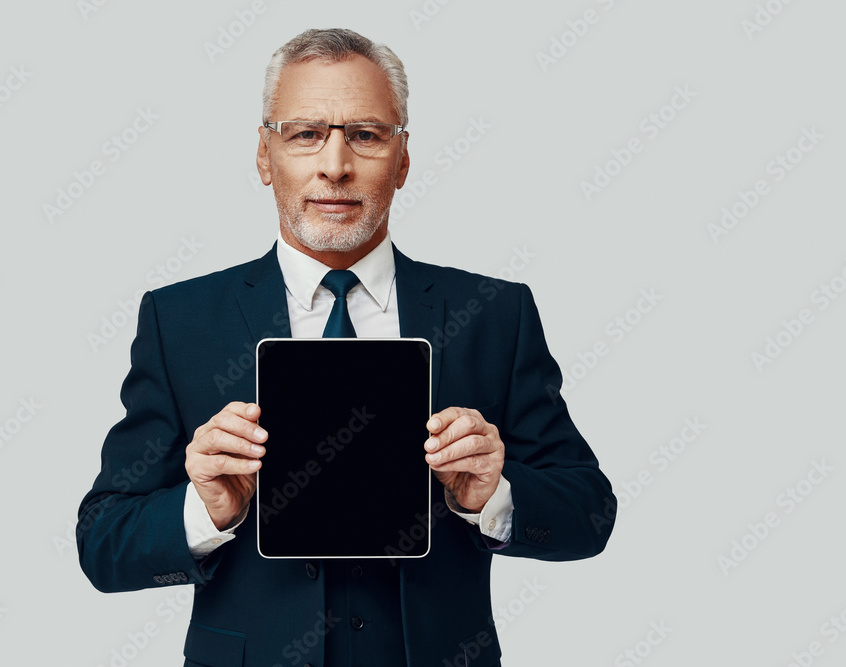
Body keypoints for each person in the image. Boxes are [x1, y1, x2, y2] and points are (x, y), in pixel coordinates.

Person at [77, 28, 616, 667]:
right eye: (305, 134)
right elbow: (103, 545)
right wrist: (207, 509)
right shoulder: (180, 320)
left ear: (404, 159)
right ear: (263, 155)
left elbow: (588, 514)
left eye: (365, 134)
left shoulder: (495, 316)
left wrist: (492, 494)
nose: (335, 165)